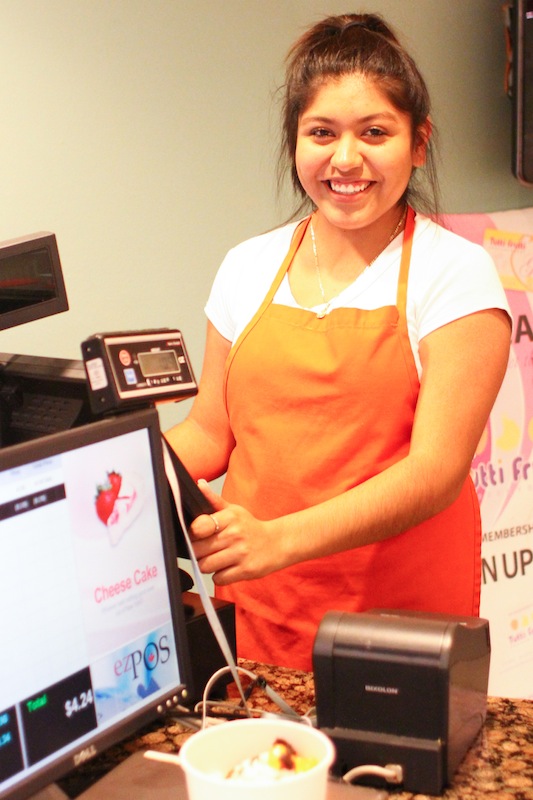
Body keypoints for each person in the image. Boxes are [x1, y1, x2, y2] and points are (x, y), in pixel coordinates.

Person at [165, 13, 511, 671]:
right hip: (259, 611)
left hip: (398, 631)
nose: (344, 159)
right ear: (294, 142)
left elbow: (434, 473)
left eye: (373, 133)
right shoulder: (248, 265)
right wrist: (121, 467)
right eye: (320, 133)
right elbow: (210, 432)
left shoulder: (453, 272)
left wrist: (278, 540)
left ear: (417, 143)